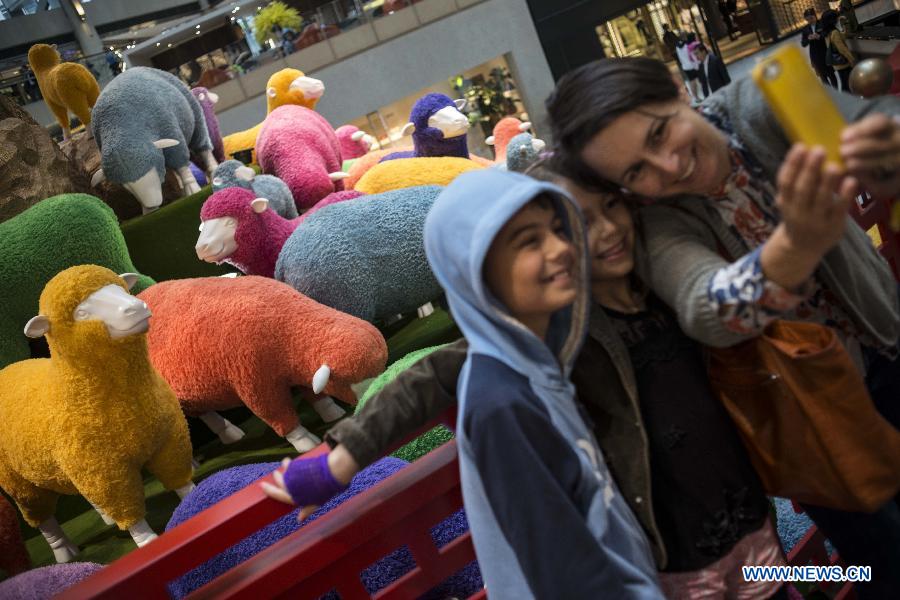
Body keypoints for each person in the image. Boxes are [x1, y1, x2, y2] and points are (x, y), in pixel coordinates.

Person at [263, 165, 792, 599]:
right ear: (479, 273)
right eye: (579, 221)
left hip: (748, 518)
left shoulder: (617, 297)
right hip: (675, 555)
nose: (599, 233)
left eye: (565, 227)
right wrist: (340, 460)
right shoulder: (532, 358)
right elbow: (437, 373)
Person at [546, 57, 900, 599]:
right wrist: (796, 244)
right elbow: (706, 309)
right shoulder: (650, 229)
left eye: (661, 131)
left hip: (886, 350)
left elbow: (868, 125)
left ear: (676, 89)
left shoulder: (763, 105)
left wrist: (884, 146)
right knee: (876, 566)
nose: (667, 167)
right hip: (805, 432)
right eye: (635, 173)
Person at [801, 8, 837, 88]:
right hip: (815, 55)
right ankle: (832, 93)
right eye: (808, 19)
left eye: (811, 18)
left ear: (815, 16)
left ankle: (837, 90)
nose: (810, 20)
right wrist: (808, 39)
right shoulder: (805, 29)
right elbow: (803, 43)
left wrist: (819, 36)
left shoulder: (822, 23)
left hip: (825, 51)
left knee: (831, 73)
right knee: (823, 76)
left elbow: (828, 32)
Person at [822, 9, 856, 92]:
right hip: (844, 63)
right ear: (832, 20)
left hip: (837, 64)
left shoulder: (827, 33)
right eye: (836, 18)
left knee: (845, 84)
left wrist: (844, 22)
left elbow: (844, 35)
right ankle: (849, 102)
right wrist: (852, 60)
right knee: (848, 85)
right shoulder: (834, 32)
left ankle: (848, 101)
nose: (837, 19)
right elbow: (842, 50)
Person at [674, 32, 702, 103]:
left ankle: (695, 97)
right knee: (695, 82)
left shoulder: (677, 46)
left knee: (692, 81)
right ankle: (696, 97)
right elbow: (691, 55)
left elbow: (679, 58)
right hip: (691, 65)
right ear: (684, 37)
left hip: (685, 66)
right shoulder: (687, 45)